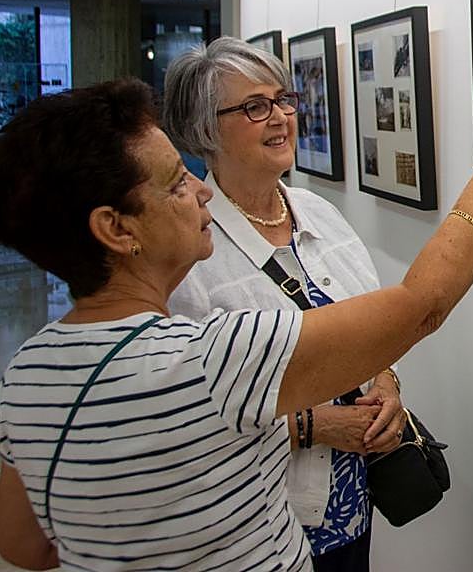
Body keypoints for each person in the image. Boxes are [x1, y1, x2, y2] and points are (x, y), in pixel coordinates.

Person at [0, 78, 473, 571]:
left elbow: (25, 546)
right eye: (176, 182)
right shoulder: (211, 359)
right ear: (116, 229)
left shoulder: (27, 375)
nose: (200, 191)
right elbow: (422, 305)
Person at [163, 38, 403, 569]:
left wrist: (387, 383)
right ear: (205, 129)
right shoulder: (191, 252)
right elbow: (189, 415)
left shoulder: (321, 214)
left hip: (352, 502)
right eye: (254, 106)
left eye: (283, 99)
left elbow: (374, 328)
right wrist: (316, 425)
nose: (280, 117)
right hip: (259, 525)